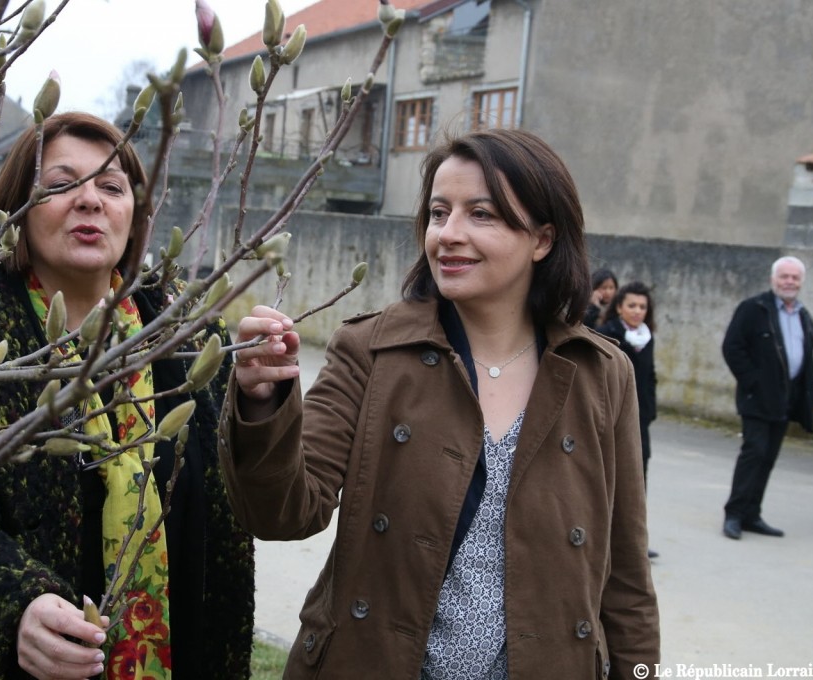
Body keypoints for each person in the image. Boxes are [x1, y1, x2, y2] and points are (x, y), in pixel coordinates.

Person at [219, 129, 659, 678]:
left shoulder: (602, 373)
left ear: (542, 239)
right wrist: (264, 404)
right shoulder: (373, 350)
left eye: (481, 215)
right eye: (438, 212)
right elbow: (284, 513)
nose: (448, 235)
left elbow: (625, 574)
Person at [0, 113, 255, 679]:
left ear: (135, 216)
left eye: (111, 187)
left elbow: (235, 498)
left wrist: (261, 400)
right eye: (60, 185)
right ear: (17, 207)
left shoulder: (187, 336)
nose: (90, 201)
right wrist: (14, 608)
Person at [721, 255, 813, 540]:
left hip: (786, 400)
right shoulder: (754, 308)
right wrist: (754, 382)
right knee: (754, 454)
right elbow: (732, 347)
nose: (789, 282)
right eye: (784, 276)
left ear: (801, 282)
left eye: (794, 278)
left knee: (769, 457)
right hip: (757, 400)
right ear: (773, 279)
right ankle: (734, 514)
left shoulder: (803, 314)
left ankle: (752, 514)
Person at [598, 281, 659, 559]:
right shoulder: (607, 335)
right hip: (612, 416)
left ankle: (633, 543)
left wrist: (650, 410)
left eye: (642, 307)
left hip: (640, 418)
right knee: (609, 476)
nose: (637, 311)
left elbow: (650, 377)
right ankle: (606, 541)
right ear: (619, 307)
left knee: (636, 478)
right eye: (632, 305)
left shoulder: (647, 338)